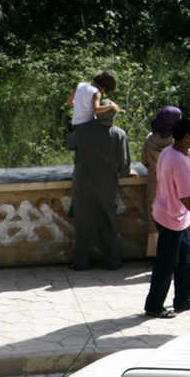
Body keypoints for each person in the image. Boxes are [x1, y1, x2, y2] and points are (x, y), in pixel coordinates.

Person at [144, 115, 190, 317]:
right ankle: (154, 306)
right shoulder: (181, 162)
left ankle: (183, 298)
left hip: (171, 215)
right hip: (171, 218)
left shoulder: (167, 152)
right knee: (166, 264)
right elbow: (186, 198)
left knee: (187, 257)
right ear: (185, 138)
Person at [66, 105, 132, 270]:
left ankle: (81, 262)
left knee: (83, 222)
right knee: (108, 222)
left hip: (82, 183)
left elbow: (69, 144)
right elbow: (124, 165)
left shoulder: (82, 130)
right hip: (107, 185)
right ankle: (112, 261)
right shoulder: (118, 134)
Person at [140, 104, 180, 258]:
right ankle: (172, 254)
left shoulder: (149, 139)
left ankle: (155, 254)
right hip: (174, 183)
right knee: (173, 218)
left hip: (154, 182)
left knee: (155, 217)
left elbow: (144, 160)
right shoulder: (178, 142)